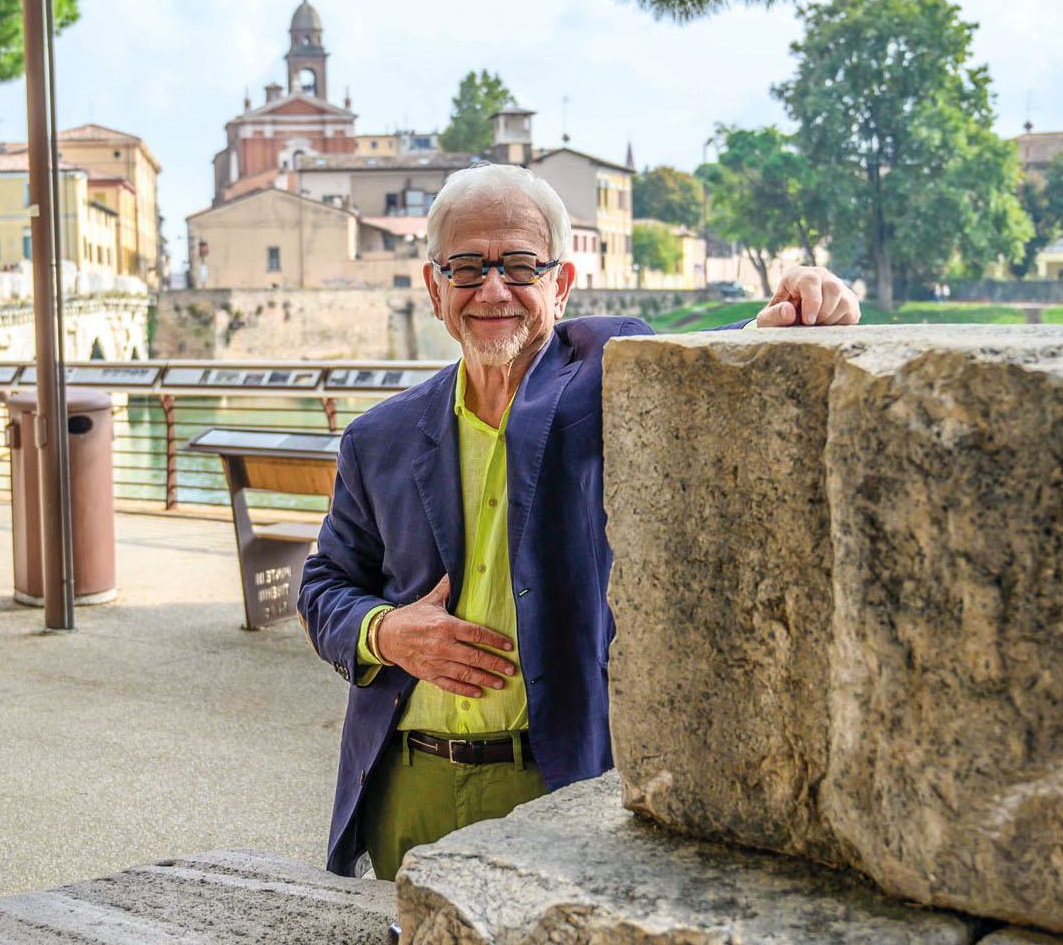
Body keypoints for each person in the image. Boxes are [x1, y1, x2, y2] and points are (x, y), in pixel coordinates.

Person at [297, 163, 859, 881]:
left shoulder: (603, 379)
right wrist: (388, 631)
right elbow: (323, 587)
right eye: (467, 267)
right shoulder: (380, 437)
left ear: (560, 287)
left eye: (521, 265)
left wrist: (790, 314)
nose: (493, 289)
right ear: (435, 288)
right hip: (407, 787)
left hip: (556, 779)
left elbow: (701, 364)